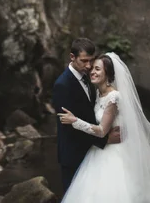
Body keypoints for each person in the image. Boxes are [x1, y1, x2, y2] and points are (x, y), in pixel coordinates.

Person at [58, 52, 150, 202]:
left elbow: (101, 131)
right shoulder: (99, 93)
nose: (92, 72)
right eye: (93, 69)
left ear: (108, 73)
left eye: (98, 69)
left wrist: (75, 121)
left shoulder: (114, 97)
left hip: (114, 153)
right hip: (98, 151)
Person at [52, 38, 121, 194]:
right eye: (84, 61)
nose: (89, 66)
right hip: (73, 154)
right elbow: (68, 126)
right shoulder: (62, 85)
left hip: (93, 153)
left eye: (91, 61)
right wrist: (104, 139)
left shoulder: (90, 78)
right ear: (72, 57)